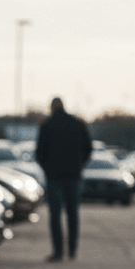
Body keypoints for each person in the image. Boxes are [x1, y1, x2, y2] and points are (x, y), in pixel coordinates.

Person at [35, 97, 93, 260]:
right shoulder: (77, 124)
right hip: (74, 175)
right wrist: (79, 164)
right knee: (72, 213)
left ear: (52, 107)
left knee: (55, 215)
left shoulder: (47, 125)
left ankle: (58, 251)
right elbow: (89, 148)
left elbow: (39, 153)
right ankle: (73, 250)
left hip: (54, 177)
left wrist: (48, 168)